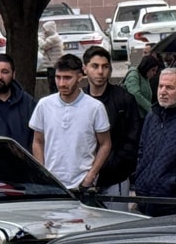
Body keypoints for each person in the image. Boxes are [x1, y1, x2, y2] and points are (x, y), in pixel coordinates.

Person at [29, 54, 111, 190]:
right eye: (58, 77)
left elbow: (105, 144)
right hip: (52, 184)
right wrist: (43, 173)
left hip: (82, 184)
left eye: (67, 78)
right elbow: (38, 141)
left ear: (80, 76)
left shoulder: (95, 107)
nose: (61, 83)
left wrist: (90, 177)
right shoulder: (44, 105)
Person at [82, 46, 141, 200]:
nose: (100, 72)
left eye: (105, 67)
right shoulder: (78, 100)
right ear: (85, 68)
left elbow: (133, 139)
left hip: (115, 179)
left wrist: (113, 166)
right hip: (81, 178)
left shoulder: (124, 99)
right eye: (95, 66)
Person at [132, 67, 176, 216]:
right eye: (161, 86)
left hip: (172, 204)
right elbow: (142, 149)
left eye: (170, 87)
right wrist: (140, 176)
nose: (163, 91)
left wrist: (170, 183)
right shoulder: (152, 115)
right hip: (144, 199)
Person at [39, 21, 64, 88]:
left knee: (53, 82)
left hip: (53, 63)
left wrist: (39, 38)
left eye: (45, 29)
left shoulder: (53, 38)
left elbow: (43, 46)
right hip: (52, 63)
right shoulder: (53, 37)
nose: (44, 31)